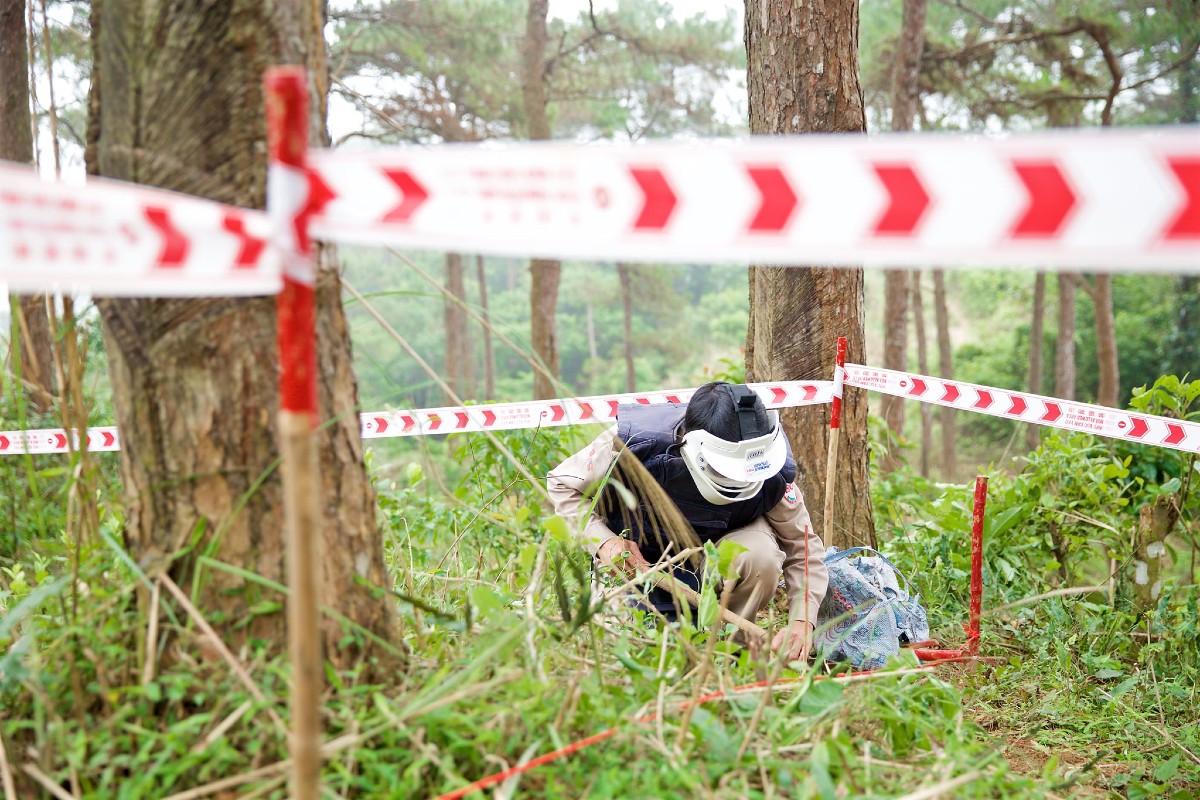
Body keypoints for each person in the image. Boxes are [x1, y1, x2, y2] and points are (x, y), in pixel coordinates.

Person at [547, 381, 828, 660]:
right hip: (639, 564)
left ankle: (734, 652)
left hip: (715, 562)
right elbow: (562, 486)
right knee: (628, 651)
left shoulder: (772, 469)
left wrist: (803, 620)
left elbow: (801, 546)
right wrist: (605, 542)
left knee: (760, 555)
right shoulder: (635, 443)